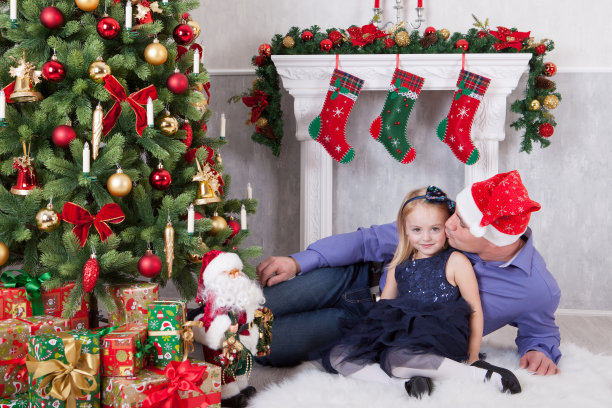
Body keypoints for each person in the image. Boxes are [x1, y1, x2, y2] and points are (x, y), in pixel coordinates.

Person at [256, 170, 562, 376]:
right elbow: (368, 241)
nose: (450, 224)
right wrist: (299, 261)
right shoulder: (438, 225)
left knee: (259, 344)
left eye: (463, 224)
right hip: (352, 279)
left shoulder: (536, 288)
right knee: (253, 306)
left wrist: (540, 349)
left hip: (366, 328)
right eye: (455, 214)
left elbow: (541, 330)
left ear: (490, 239)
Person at [321, 186, 521, 397]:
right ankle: (405, 384)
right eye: (417, 230)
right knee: (340, 356)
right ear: (405, 230)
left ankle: (477, 375)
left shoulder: (455, 262)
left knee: (399, 357)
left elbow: (474, 309)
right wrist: (369, 340)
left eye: (435, 229)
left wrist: (473, 357)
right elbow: (383, 308)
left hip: (439, 335)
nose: (426, 237)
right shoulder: (399, 265)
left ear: (447, 227)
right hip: (400, 336)